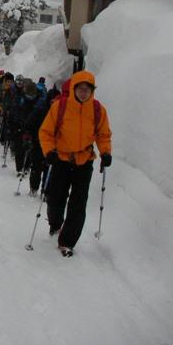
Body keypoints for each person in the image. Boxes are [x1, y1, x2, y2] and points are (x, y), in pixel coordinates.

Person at [39, 70, 112, 256]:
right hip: (61, 159)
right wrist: (49, 151)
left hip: (84, 162)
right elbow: (46, 132)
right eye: (80, 88)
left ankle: (67, 242)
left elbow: (103, 134)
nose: (84, 92)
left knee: (78, 204)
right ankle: (55, 225)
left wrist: (105, 152)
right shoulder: (60, 107)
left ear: (92, 91)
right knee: (55, 198)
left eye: (87, 89)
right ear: (74, 89)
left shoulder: (98, 110)